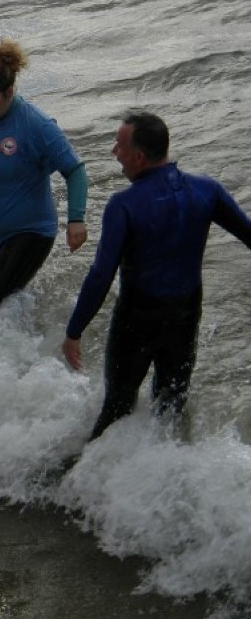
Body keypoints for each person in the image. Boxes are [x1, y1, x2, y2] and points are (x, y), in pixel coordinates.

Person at [62, 112, 251, 440]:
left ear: (139, 157)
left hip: (137, 321)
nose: (113, 153)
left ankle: (81, 483)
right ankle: (168, 482)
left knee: (117, 409)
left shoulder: (124, 204)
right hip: (185, 316)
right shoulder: (208, 190)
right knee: (171, 408)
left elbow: (101, 274)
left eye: (119, 147)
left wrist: (74, 331)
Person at [0, 38, 89, 308]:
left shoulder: (36, 124)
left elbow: (76, 170)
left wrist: (76, 219)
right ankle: (29, 330)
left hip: (30, 232)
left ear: (9, 91)